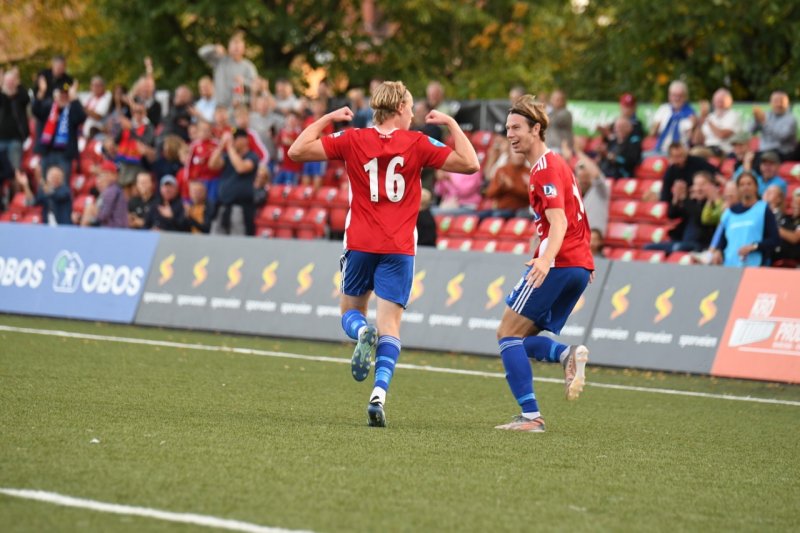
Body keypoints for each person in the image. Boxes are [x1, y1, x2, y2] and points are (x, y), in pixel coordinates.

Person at [287, 80, 479, 427]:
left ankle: (361, 332)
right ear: (398, 109)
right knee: (390, 325)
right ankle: (378, 395)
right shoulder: (418, 142)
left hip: (360, 241)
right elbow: (470, 163)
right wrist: (451, 125)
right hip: (399, 246)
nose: (412, 113)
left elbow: (297, 151)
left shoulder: (353, 139)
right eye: (409, 107)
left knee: (350, 313)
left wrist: (328, 117)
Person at [493, 94, 594, 433]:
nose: (510, 134)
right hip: (577, 265)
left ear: (537, 129)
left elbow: (560, 222)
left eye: (517, 127)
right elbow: (572, 218)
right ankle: (564, 355)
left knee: (506, 333)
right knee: (520, 342)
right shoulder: (558, 164)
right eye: (508, 128)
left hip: (559, 262)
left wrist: (546, 260)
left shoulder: (544, 170)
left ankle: (531, 416)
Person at [709, 171, 779, 267]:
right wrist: (718, 251)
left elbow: (774, 240)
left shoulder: (764, 209)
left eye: (749, 184)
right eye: (742, 184)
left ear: (756, 187)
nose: (746, 187)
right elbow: (722, 240)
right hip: (730, 265)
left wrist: (754, 247)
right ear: (738, 189)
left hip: (755, 265)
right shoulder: (729, 213)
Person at [32, 78, 86, 182]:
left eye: (65, 94)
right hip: (47, 153)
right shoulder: (49, 107)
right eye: (60, 93)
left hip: (64, 155)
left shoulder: (72, 109)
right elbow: (35, 110)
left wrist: (74, 97)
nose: (63, 96)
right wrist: (42, 91)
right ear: (55, 95)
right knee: (46, 183)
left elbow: (81, 117)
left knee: (62, 184)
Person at [209, 128, 259, 235]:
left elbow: (241, 168)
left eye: (235, 139)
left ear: (244, 140)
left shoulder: (252, 156)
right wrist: (221, 146)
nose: (232, 142)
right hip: (223, 206)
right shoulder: (228, 157)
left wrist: (230, 148)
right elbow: (212, 164)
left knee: (237, 239)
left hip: (240, 207)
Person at [198, 32, 258, 109]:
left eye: (239, 45)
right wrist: (214, 48)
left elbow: (256, 87)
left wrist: (244, 82)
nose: (236, 48)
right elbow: (201, 53)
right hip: (220, 107)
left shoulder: (249, 66)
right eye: (234, 45)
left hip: (239, 109)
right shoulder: (220, 61)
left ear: (244, 49)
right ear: (228, 48)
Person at [650, 80, 696, 154]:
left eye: (680, 96)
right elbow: (652, 134)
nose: (677, 98)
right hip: (661, 150)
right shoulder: (663, 109)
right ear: (669, 96)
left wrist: (694, 126)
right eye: (674, 95)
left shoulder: (690, 113)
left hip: (681, 154)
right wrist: (655, 127)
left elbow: (693, 140)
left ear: (685, 97)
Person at [692, 88, 741, 157]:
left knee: (695, 153)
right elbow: (696, 141)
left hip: (723, 151)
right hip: (707, 149)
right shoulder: (710, 116)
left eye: (721, 101)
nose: (719, 104)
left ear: (729, 102)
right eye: (716, 101)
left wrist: (708, 121)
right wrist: (699, 123)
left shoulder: (734, 116)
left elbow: (722, 135)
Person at [751, 91, 797, 161]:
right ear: (770, 103)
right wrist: (756, 120)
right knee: (746, 159)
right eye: (775, 101)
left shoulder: (791, 119)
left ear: (787, 104)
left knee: (761, 161)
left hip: (782, 152)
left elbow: (782, 136)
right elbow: (749, 131)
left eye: (781, 101)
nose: (778, 104)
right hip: (763, 150)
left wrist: (764, 123)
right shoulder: (765, 114)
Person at [545, 89, 573, 153]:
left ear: (563, 101)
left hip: (560, 149)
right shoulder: (550, 112)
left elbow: (550, 121)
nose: (555, 101)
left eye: (558, 99)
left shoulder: (566, 113)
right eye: (554, 99)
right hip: (549, 147)